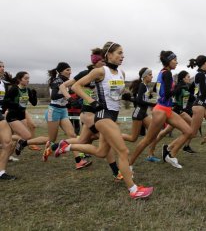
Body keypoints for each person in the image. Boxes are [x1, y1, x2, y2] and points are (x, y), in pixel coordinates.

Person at [55, 41, 153, 199]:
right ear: (108, 54)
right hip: (102, 115)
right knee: (123, 151)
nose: (122, 56)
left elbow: (115, 93)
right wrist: (92, 101)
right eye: (119, 53)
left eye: (123, 53)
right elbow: (76, 87)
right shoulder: (100, 71)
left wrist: (127, 97)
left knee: (101, 152)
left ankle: (67, 146)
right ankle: (134, 190)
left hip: (113, 115)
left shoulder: (121, 73)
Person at [130, 51, 192, 169]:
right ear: (168, 61)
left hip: (167, 109)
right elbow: (168, 94)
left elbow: (160, 91)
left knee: (189, 131)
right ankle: (129, 164)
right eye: (174, 60)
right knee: (147, 140)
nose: (176, 62)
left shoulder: (162, 72)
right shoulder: (167, 73)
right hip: (161, 110)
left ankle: (171, 155)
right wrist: (179, 87)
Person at [43, 62, 91, 169]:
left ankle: (79, 162)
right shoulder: (57, 81)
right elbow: (54, 96)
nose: (70, 72)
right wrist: (69, 97)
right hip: (53, 111)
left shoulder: (68, 81)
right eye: (67, 70)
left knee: (72, 135)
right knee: (51, 139)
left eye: (70, 70)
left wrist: (74, 100)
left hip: (63, 111)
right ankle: (45, 148)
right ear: (61, 71)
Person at [146, 70, 195, 158]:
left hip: (181, 111)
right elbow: (172, 95)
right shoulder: (179, 85)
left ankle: (171, 146)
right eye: (188, 77)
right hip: (176, 110)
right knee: (165, 132)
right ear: (183, 78)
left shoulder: (185, 86)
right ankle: (155, 148)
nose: (189, 78)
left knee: (190, 128)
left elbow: (188, 98)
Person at [3, 72, 49, 155]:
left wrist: (34, 94)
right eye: (26, 78)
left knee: (23, 136)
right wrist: (17, 106)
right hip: (12, 116)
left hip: (22, 116)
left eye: (28, 78)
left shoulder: (27, 90)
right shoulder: (14, 89)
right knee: (27, 136)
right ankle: (5, 139)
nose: (28, 80)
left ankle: (14, 148)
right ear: (19, 80)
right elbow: (5, 102)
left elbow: (34, 103)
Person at [0, 61, 16, 180]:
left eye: (3, 66)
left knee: (8, 143)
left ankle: (1, 172)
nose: (2, 68)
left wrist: (6, 109)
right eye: (0, 66)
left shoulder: (3, 83)